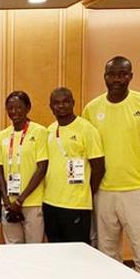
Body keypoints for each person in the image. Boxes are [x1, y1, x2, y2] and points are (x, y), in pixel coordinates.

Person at [83, 56, 140, 279]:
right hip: (104, 192)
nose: (116, 80)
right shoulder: (91, 109)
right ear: (104, 77)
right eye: (111, 75)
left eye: (122, 75)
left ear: (131, 76)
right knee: (107, 255)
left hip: (139, 191)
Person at [43, 87, 105, 244]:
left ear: (73, 103)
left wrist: (84, 192)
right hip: (50, 203)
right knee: (55, 250)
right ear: (51, 107)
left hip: (76, 205)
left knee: (77, 251)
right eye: (56, 103)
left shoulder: (87, 129)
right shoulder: (50, 130)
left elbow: (99, 167)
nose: (61, 106)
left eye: (66, 102)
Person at [0, 91, 48, 244]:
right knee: (13, 247)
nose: (14, 112)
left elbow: (41, 168)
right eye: (10, 108)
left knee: (34, 247)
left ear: (28, 108)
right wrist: (6, 200)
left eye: (19, 107)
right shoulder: (3, 135)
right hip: (8, 204)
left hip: (32, 202)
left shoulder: (39, 132)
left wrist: (20, 200)